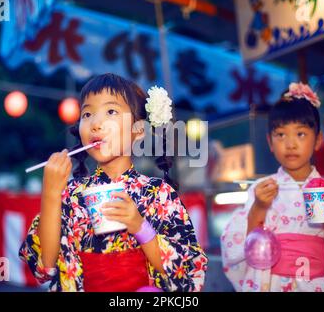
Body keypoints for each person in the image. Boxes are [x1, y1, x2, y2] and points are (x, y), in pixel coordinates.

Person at [19, 73, 207, 292]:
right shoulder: (70, 194)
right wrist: (51, 194)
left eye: (111, 111)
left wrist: (140, 226)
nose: (96, 124)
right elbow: (45, 268)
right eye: (87, 113)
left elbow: (190, 273)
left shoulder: (158, 194)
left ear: (138, 131)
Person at [220, 82, 324, 291]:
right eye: (281, 134)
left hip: (318, 284)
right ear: (270, 142)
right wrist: (258, 208)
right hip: (271, 283)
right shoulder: (261, 189)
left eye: (300, 134)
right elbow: (234, 246)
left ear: (318, 140)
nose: (290, 144)